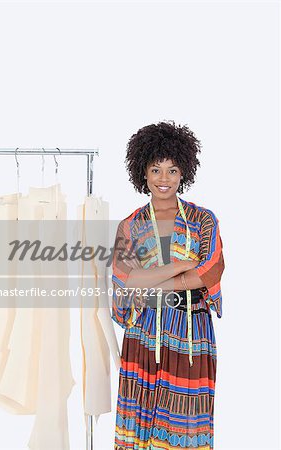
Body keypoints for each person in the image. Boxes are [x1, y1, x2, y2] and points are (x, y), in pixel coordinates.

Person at [111, 120, 225, 450]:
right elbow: (125, 279)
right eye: (156, 169)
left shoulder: (204, 219)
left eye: (172, 170)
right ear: (142, 173)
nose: (164, 179)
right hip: (143, 333)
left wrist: (154, 284)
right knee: (141, 419)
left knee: (187, 421)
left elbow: (211, 270)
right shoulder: (130, 225)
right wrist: (184, 265)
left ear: (183, 173)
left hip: (191, 334)